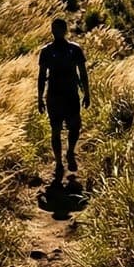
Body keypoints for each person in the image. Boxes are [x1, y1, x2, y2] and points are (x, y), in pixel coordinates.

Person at [38, 18, 90, 177]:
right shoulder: (46, 51)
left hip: (71, 95)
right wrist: (39, 98)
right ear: (52, 31)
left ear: (65, 30)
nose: (57, 32)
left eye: (60, 29)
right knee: (55, 130)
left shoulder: (75, 49)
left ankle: (70, 152)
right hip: (54, 96)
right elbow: (41, 76)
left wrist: (87, 93)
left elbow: (83, 73)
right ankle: (59, 163)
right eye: (55, 29)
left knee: (75, 127)